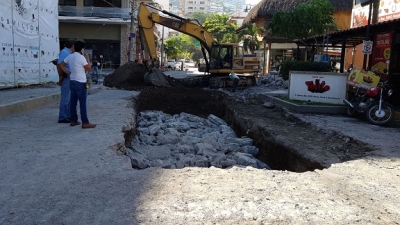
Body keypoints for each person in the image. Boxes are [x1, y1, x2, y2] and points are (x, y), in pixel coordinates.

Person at [60, 41, 96, 129]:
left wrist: (68, 73)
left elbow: (61, 65)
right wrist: (87, 58)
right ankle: (85, 122)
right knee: (82, 103)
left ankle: (74, 120)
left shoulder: (70, 56)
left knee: (73, 102)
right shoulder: (81, 58)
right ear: (82, 49)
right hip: (80, 82)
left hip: (72, 80)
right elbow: (89, 69)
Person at [56, 38, 75, 123]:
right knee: (66, 98)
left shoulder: (69, 53)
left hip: (70, 78)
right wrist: (61, 77)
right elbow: (60, 65)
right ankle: (63, 117)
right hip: (66, 78)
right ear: (73, 45)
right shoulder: (65, 53)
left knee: (70, 98)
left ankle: (68, 115)